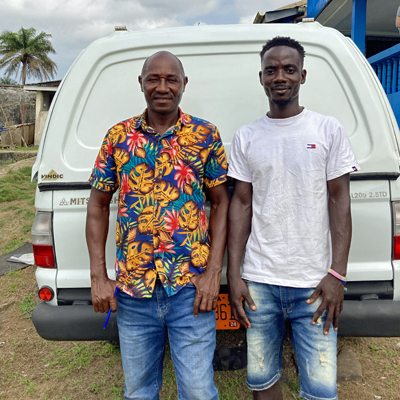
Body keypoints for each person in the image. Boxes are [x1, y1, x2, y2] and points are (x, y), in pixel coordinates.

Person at [86, 51, 229, 400]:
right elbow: (97, 205)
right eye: (153, 78)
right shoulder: (117, 137)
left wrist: (213, 273)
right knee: (139, 392)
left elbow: (222, 202)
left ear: (183, 85)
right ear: (141, 83)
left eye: (171, 79)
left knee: (197, 392)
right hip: (134, 294)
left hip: (190, 291)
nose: (162, 87)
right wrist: (98, 277)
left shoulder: (205, 135)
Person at [227, 36, 359, 400]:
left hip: (315, 283)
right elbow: (240, 204)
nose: (279, 76)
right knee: (262, 381)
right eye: (271, 70)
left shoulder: (327, 130)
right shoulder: (247, 136)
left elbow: (340, 201)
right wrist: (233, 274)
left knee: (320, 389)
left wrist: (337, 274)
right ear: (261, 77)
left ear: (303, 75)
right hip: (259, 281)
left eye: (288, 69)